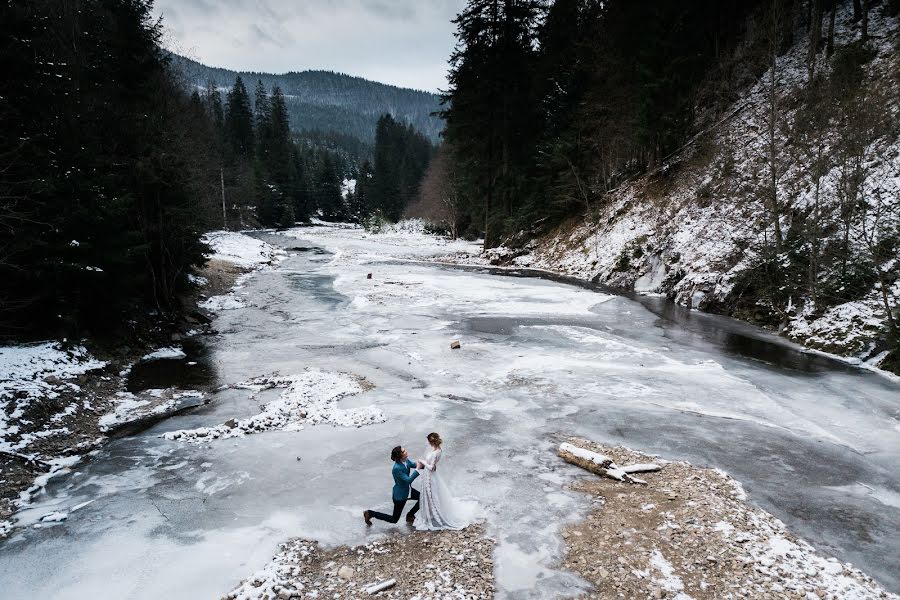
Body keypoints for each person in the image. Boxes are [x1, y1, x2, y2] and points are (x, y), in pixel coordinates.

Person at [413, 432, 467, 531]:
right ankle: (431, 513)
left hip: (429, 476)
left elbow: (431, 467)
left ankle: (434, 515)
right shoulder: (437, 449)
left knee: (431, 495)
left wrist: (422, 461)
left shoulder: (436, 452)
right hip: (429, 475)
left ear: (431, 442)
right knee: (431, 495)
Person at [363, 445, 420, 525]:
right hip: (400, 496)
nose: (406, 451)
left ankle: (410, 515)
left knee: (422, 498)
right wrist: (417, 470)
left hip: (408, 490)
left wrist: (427, 465)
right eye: (403, 451)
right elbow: (408, 480)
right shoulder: (397, 468)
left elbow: (414, 465)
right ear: (400, 455)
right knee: (394, 519)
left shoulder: (406, 461)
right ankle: (370, 513)